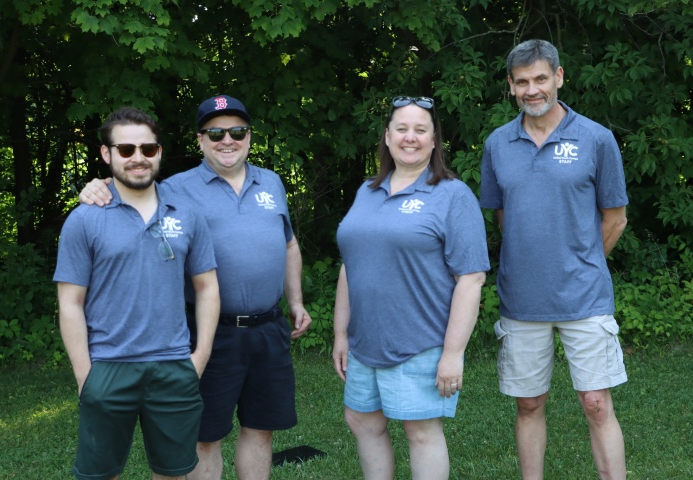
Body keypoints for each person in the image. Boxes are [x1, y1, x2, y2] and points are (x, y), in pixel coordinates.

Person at [79, 95, 312, 480]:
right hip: (210, 331)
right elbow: (128, 185)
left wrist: (296, 301)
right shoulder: (174, 189)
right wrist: (96, 186)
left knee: (261, 429)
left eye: (237, 131)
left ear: (249, 136)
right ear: (200, 140)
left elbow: (288, 244)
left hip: (270, 330)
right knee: (205, 436)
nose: (227, 140)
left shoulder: (271, 181)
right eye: (215, 132)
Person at [480, 39, 629, 480]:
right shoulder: (497, 144)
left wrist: (582, 263)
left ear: (559, 77)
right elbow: (505, 218)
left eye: (541, 78)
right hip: (522, 297)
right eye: (522, 81)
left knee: (596, 404)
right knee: (529, 404)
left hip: (585, 296)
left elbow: (615, 219)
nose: (532, 89)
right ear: (510, 86)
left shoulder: (596, 139)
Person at [55, 107, 221, 480]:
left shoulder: (187, 213)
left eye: (147, 149)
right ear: (106, 154)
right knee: (100, 475)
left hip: (174, 365)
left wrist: (199, 357)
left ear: (159, 152)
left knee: (174, 473)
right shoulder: (85, 218)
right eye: (126, 150)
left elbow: (207, 286)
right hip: (108, 366)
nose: (138, 159)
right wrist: (86, 378)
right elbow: (70, 302)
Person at [332, 96, 490, 479]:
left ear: (434, 142)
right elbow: (349, 264)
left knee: (420, 431)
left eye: (421, 130)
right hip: (365, 341)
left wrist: (453, 353)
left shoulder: (452, 195)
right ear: (386, 137)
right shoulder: (367, 191)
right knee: (362, 421)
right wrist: (340, 333)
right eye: (401, 128)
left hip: (420, 340)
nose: (410, 137)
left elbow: (471, 278)